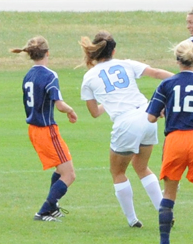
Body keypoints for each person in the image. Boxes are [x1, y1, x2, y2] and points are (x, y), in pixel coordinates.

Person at [79, 30, 174, 228]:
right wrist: (182, 80)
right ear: (114, 51)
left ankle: (132, 220)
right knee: (141, 166)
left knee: (117, 172)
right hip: (147, 115)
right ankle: (162, 212)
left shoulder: (89, 77)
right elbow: (156, 73)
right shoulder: (126, 64)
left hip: (126, 122)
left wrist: (108, 101)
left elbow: (95, 112)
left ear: (95, 53)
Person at [11, 36, 77, 222]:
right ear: (47, 53)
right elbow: (59, 104)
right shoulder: (50, 75)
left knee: (60, 169)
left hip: (33, 129)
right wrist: (71, 110)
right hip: (46, 130)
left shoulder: (28, 75)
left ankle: (52, 207)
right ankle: (43, 211)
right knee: (69, 174)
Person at [147, 39, 193, 244]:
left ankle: (164, 241)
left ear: (177, 61)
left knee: (169, 193)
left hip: (175, 140)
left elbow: (151, 117)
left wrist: (166, 111)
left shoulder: (166, 84)